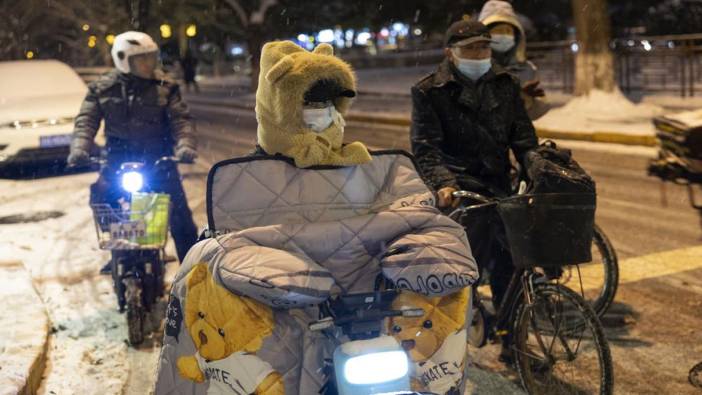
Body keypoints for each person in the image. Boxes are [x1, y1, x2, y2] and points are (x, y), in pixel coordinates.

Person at [155, 40, 478, 395]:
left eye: (328, 103)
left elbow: (410, 214)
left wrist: (426, 249)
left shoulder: (368, 170)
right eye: (309, 103)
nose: (321, 111)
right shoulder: (250, 178)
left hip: (368, 315)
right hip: (291, 316)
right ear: (278, 107)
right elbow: (234, 240)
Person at [410, 19, 538, 363]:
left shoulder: (505, 83)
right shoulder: (429, 91)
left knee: (511, 264)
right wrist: (445, 183)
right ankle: (446, 347)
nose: (479, 54)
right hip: (461, 189)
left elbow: (523, 137)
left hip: (499, 185)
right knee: (464, 268)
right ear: (450, 53)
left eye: (483, 47)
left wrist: (536, 166)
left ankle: (514, 342)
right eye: (470, 49)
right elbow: (426, 148)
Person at [67, 31, 198, 272]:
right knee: (102, 198)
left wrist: (185, 145)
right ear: (123, 59)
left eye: (151, 57)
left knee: (180, 218)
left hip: (159, 162)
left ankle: (193, 272)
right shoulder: (102, 89)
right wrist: (80, 148)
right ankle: (118, 249)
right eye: (142, 59)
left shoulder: (166, 87)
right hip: (117, 162)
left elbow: (181, 120)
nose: (149, 64)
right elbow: (86, 121)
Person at [479, 0, 550, 120]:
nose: (504, 35)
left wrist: (528, 102)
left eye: (508, 31)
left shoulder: (527, 69)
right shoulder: (471, 67)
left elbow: (541, 108)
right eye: (498, 30)